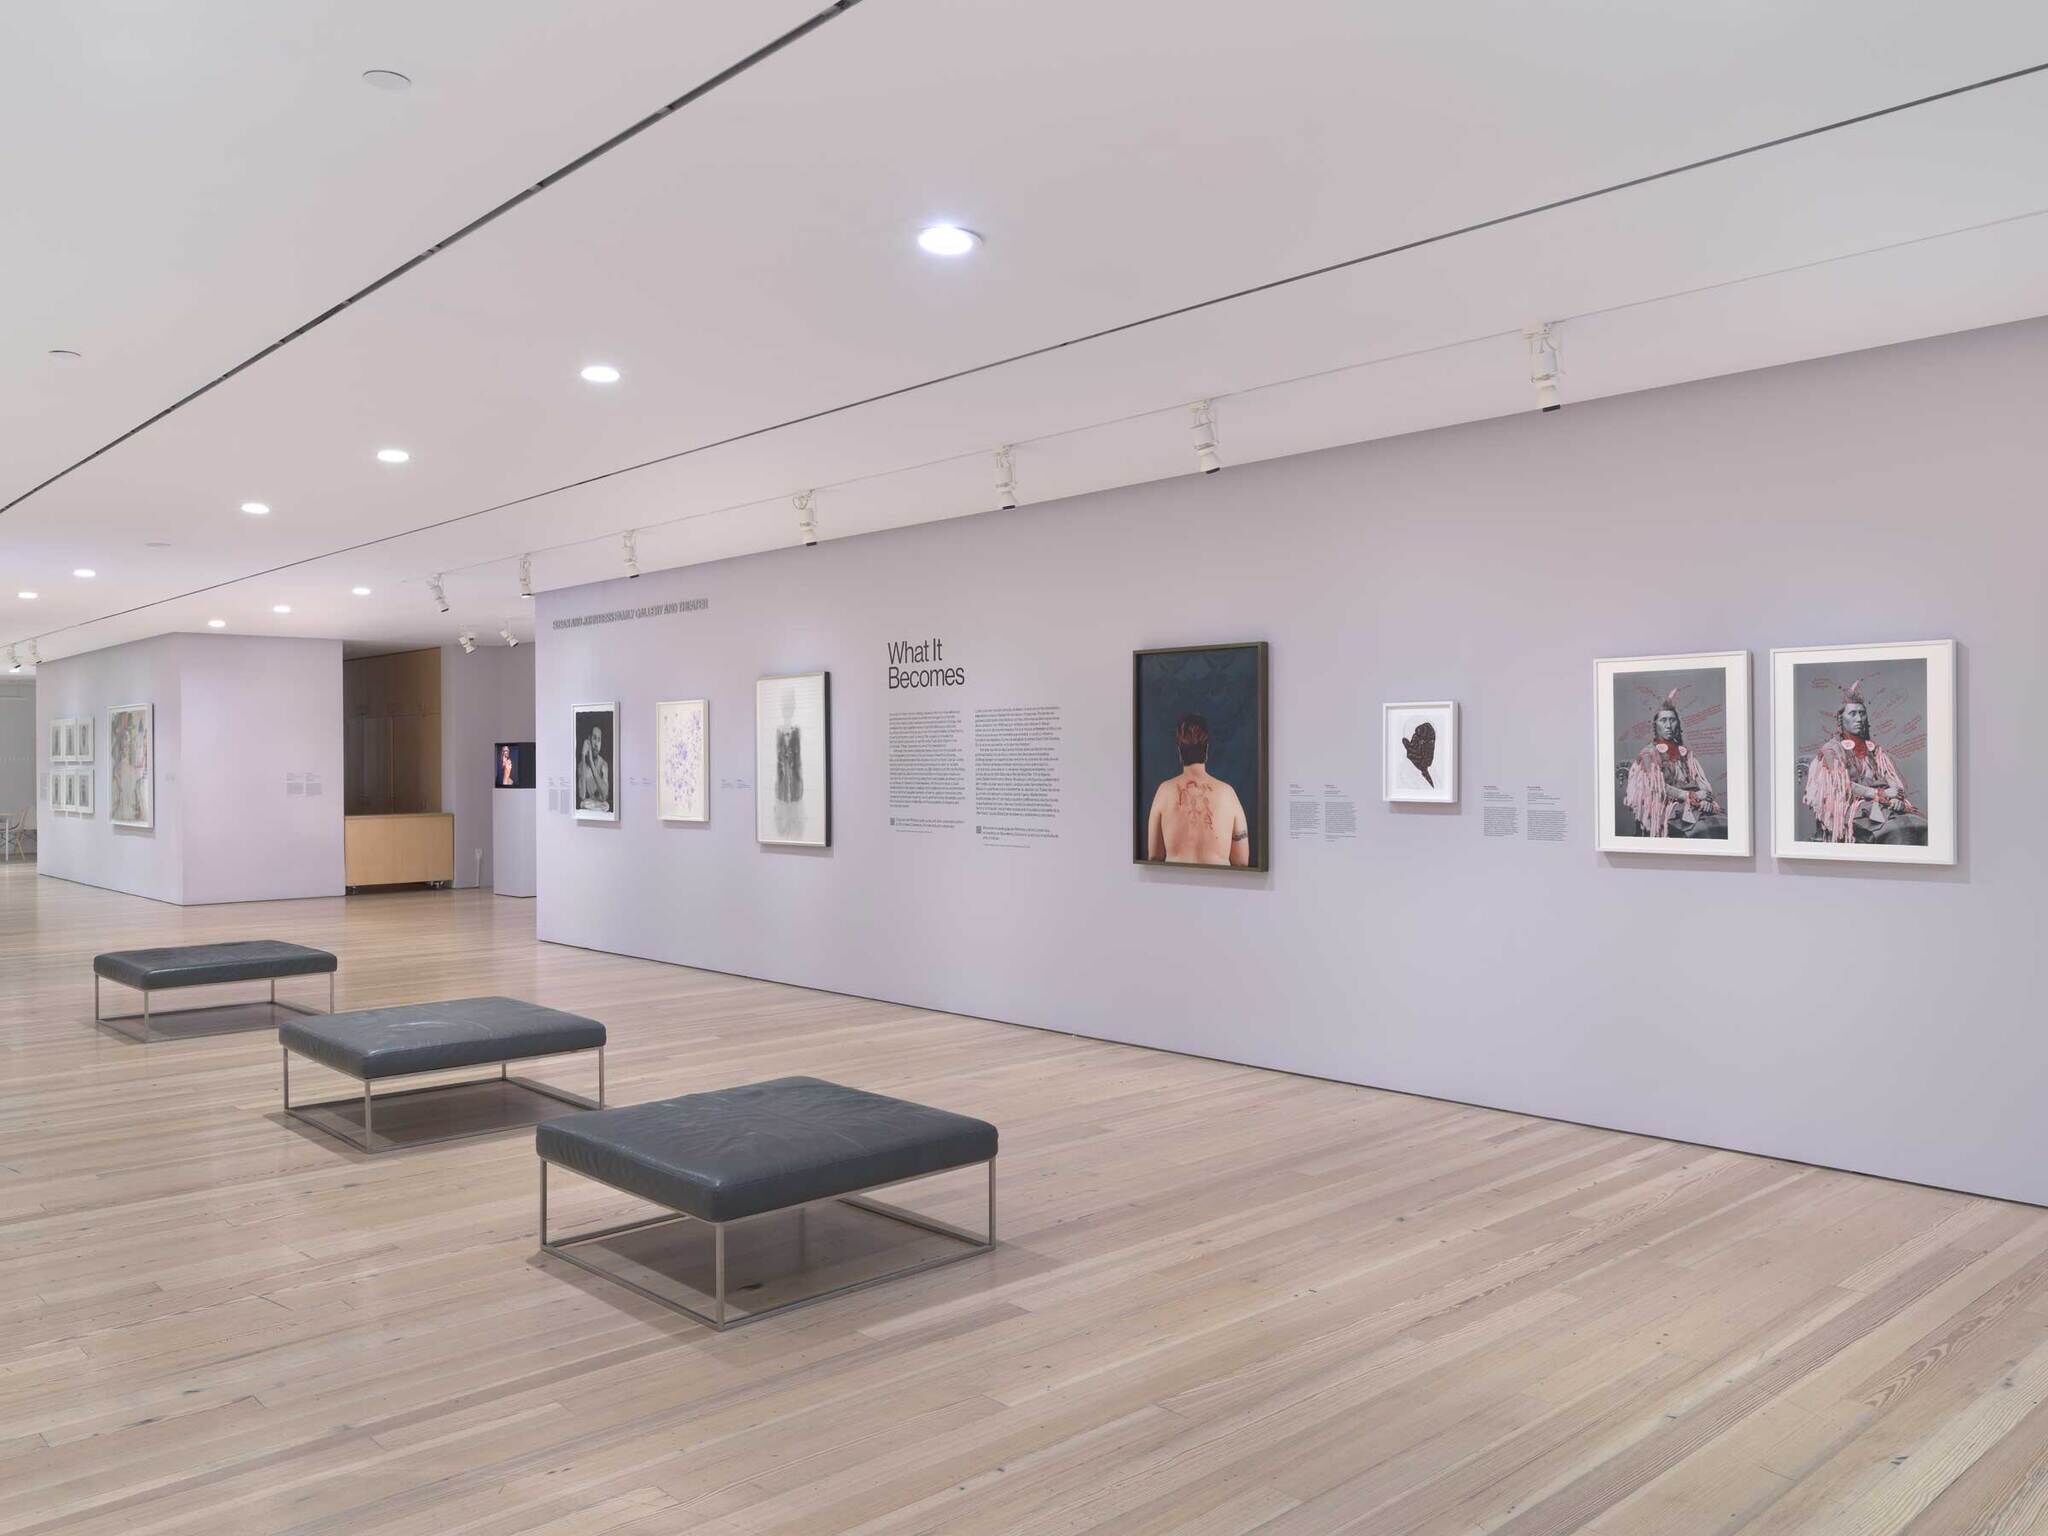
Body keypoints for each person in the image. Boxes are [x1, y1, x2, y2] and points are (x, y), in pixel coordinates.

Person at [1803, 681, 1927, 845]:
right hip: (1854, 807)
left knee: (1919, 825)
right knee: (1893, 830)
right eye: (1852, 714)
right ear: (1841, 719)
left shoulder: (1874, 749)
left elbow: (1890, 776)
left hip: (1884, 803)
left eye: (1862, 713)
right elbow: (1842, 786)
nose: (1859, 719)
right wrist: (1879, 795)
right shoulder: (1831, 750)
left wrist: (1896, 795)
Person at [1145, 713, 1249, 866]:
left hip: (1173, 886)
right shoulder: (1228, 794)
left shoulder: (1164, 792)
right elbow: (1241, 862)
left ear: (1179, 752)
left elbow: (1154, 857)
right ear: (1206, 750)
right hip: (1219, 887)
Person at [1622, 690, 1726, 839]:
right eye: (1663, 720)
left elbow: (1700, 780)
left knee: (1722, 824)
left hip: (1691, 803)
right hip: (1664, 806)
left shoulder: (1685, 753)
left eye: (1672, 720)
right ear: (1655, 725)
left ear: (1678, 723)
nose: (1669, 725)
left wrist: (1705, 800)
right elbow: (1658, 787)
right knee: (1704, 830)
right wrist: (1692, 796)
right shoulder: (1648, 753)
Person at [578, 725, 610, 811]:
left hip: (602, 810)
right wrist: (583, 757)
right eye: (594, 738)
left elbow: (604, 796)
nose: (596, 744)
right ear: (589, 740)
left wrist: (591, 761)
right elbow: (582, 795)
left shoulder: (603, 764)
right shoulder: (581, 765)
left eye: (599, 740)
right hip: (588, 811)